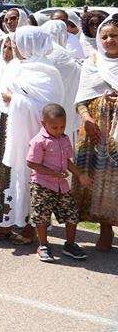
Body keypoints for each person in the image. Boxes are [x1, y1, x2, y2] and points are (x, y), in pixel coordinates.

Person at [0, 27, 63, 243]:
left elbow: (47, 108)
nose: (13, 47)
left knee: (24, 178)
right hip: (3, 129)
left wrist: (14, 99)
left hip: (28, 136)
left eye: (17, 43)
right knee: (0, 175)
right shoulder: (15, 66)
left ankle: (27, 229)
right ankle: (1, 223)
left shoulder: (47, 72)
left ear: (29, 44)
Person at [73, 15, 118, 251]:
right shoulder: (92, 62)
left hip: (116, 131)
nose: (109, 40)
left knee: (114, 179)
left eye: (114, 36)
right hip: (93, 130)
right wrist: (87, 118)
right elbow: (80, 98)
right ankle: (104, 228)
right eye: (105, 36)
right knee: (96, 178)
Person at [27, 103, 91, 263]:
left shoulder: (64, 139)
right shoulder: (38, 141)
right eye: (55, 127)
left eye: (62, 127)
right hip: (42, 185)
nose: (59, 130)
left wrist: (80, 174)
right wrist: (52, 173)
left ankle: (69, 245)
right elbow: (32, 163)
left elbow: (67, 161)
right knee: (41, 216)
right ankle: (43, 245)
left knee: (71, 214)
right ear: (44, 124)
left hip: (62, 186)